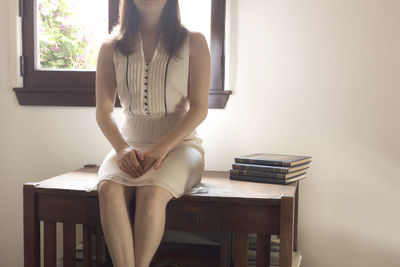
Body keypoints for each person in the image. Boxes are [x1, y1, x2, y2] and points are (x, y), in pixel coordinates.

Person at [89, 0, 210, 266]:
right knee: (108, 189)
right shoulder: (110, 47)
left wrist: (161, 149)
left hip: (181, 145)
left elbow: (199, 110)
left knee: (151, 192)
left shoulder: (195, 42)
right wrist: (121, 149)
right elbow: (103, 111)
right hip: (128, 143)